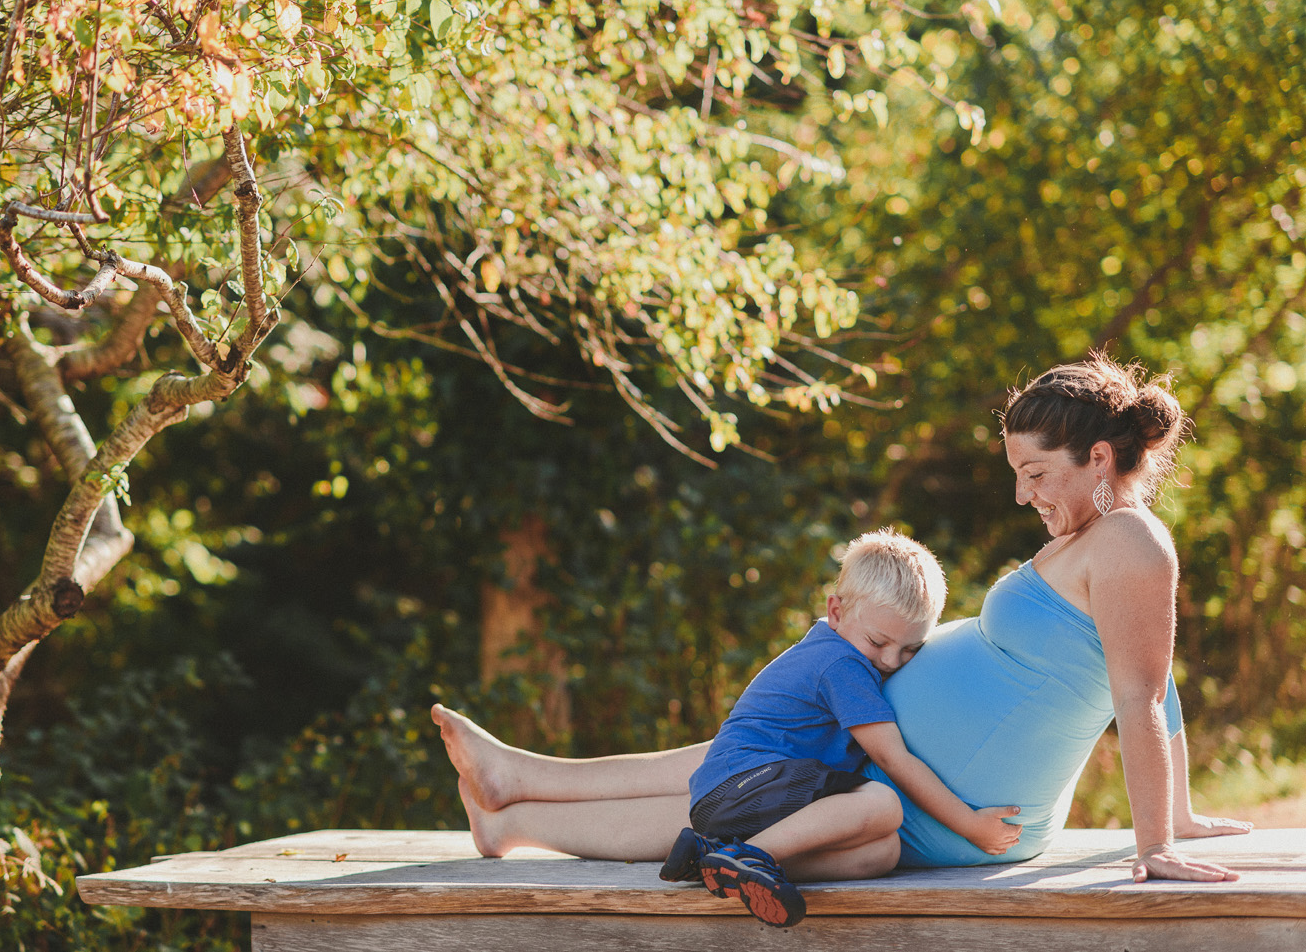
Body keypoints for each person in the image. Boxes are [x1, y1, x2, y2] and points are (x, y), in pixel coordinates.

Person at [432, 355, 1252, 886]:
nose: (1021, 492)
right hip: (914, 764)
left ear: (1098, 458)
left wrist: (1157, 843)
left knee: (727, 793)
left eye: (1035, 471)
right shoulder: (1106, 538)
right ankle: (520, 781)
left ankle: (522, 814)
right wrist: (1172, 812)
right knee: (738, 754)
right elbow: (1157, 680)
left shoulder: (1130, 542)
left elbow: (1143, 692)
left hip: (944, 798)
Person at [660, 529, 1021, 928]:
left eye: (910, 649)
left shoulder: (840, 646)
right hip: (743, 785)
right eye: (878, 642)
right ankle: (742, 858)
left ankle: (718, 862)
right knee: (882, 804)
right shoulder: (842, 664)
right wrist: (970, 825)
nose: (891, 661)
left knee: (881, 853)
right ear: (836, 612)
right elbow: (892, 757)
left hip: (735, 801)